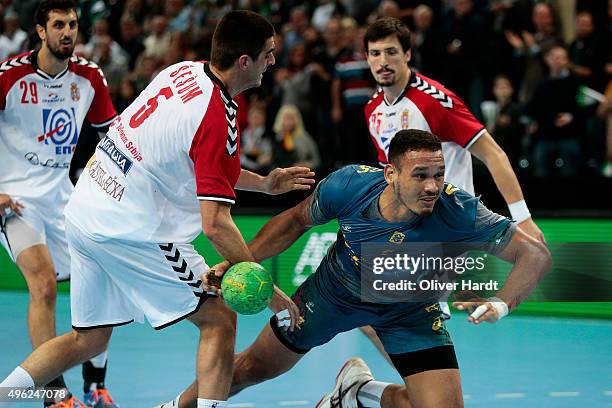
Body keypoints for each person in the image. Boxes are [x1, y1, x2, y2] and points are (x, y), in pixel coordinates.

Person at [0, 10, 314, 408]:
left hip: (85, 210)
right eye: (268, 54)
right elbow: (215, 225)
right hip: (134, 229)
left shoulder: (183, 72)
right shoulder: (216, 115)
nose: (273, 61)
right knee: (218, 317)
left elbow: (204, 160)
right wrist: (265, 289)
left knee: (89, 339)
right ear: (244, 62)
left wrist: (265, 184)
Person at [163, 129, 551, 408]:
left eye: (438, 174)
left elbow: (535, 255)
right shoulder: (349, 186)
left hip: (410, 313)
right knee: (249, 369)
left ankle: (358, 392)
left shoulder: (459, 211)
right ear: (391, 174)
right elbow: (296, 220)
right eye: (420, 175)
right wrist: (236, 260)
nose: (432, 186)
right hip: (331, 297)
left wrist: (501, 303)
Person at [0, 1, 118, 406]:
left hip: (65, 199)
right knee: (44, 284)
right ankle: (54, 395)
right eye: (58, 25)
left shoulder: (88, 77)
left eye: (72, 24)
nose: (68, 32)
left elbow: (113, 139)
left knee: (105, 276)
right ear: (40, 30)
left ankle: (95, 385)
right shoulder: (9, 76)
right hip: (13, 202)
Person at [362, 17, 544, 242]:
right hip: (412, 225)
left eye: (391, 52)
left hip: (452, 220)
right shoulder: (372, 109)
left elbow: (493, 154)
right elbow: (389, 176)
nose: (383, 61)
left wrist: (523, 218)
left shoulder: (435, 100)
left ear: (407, 55)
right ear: (367, 57)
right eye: (375, 53)